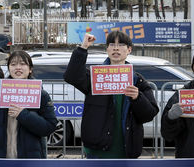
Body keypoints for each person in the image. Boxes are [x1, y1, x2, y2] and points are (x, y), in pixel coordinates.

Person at [63, 30, 159, 159]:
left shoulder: (137, 80)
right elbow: (71, 76)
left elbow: (149, 114)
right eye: (112, 45)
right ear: (107, 49)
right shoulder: (96, 76)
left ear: (129, 49)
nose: (116, 48)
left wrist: (138, 98)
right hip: (96, 151)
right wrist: (83, 48)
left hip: (126, 151)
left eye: (121, 45)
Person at [0, 51, 57, 158]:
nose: (18, 67)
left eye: (22, 64)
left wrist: (24, 115)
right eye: (13, 64)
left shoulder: (41, 95)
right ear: (9, 68)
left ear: (30, 69)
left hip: (29, 160)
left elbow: (49, 127)